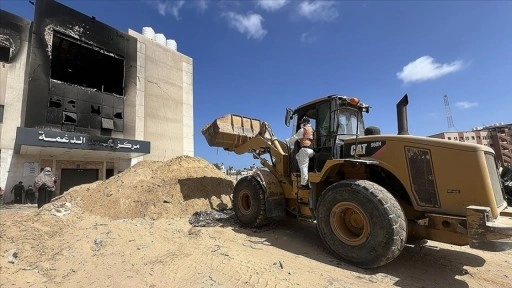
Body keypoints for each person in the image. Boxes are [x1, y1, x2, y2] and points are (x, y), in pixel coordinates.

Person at [286, 117, 315, 190]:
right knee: (298, 156)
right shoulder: (312, 129)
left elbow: (294, 137)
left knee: (303, 166)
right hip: (311, 151)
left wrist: (287, 141)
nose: (301, 124)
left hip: (305, 150)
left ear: (305, 123)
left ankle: (304, 184)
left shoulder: (303, 130)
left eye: (302, 123)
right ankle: (302, 173)